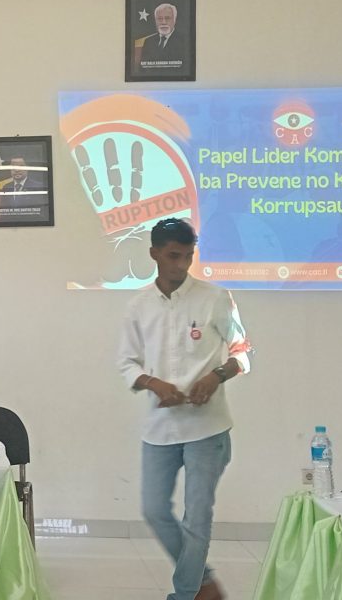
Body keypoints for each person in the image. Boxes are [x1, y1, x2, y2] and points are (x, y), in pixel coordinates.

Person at [117, 218, 253, 600]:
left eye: (188, 256)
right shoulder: (137, 306)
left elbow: (243, 353)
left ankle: (185, 593)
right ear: (154, 254)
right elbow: (126, 362)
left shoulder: (215, 297)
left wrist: (217, 375)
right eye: (173, 256)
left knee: (197, 516)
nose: (181, 265)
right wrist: (153, 383)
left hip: (208, 429)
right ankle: (203, 580)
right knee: (154, 510)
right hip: (159, 428)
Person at [139, 3, 187, 69]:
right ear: (155, 21)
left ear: (174, 20)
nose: (163, 22)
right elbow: (142, 69)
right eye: (159, 18)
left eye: (167, 18)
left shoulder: (184, 41)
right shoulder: (148, 42)